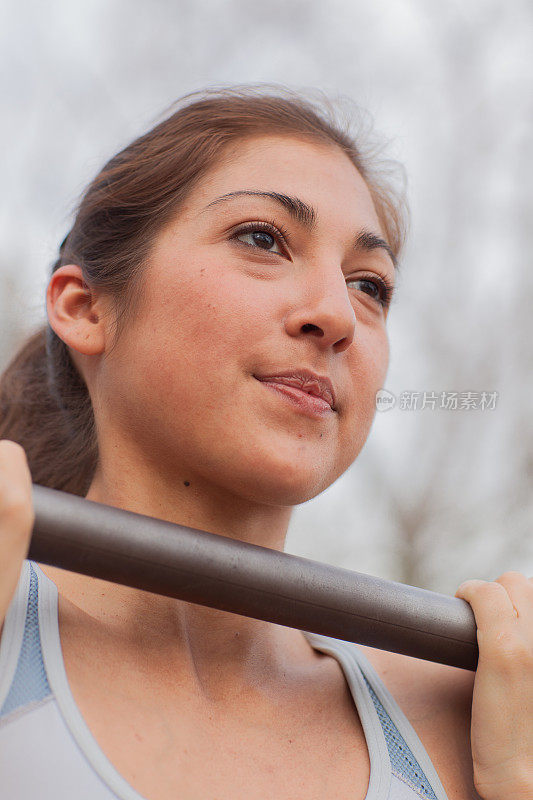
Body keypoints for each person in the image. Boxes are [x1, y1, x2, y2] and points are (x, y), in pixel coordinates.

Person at [0, 86, 531, 800]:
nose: (336, 315)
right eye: (261, 239)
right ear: (84, 306)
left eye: (369, 286)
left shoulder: (458, 720)